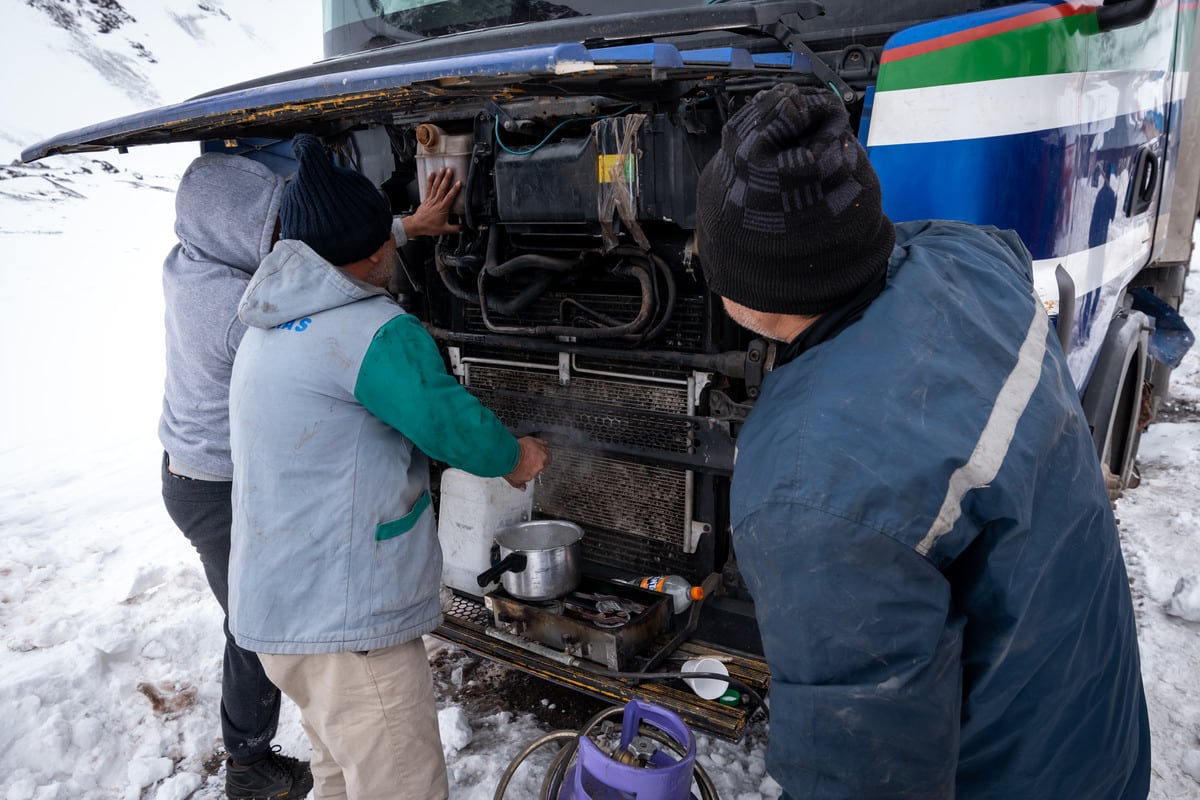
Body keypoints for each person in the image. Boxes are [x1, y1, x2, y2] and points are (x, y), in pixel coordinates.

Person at [694, 83, 1151, 799]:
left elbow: (860, 775)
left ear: (752, 288)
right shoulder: (976, 261)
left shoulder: (812, 494)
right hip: (1092, 731)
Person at [227, 133, 552, 800]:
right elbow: (448, 424)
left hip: (282, 614)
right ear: (372, 249)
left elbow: (354, 250)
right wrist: (516, 457)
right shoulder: (374, 332)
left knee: (341, 774)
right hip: (350, 629)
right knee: (404, 787)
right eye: (386, 237)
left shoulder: (275, 314)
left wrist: (403, 227)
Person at [158, 152, 313, 800]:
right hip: (216, 489)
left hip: (188, 474)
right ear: (236, 231)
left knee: (251, 615)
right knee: (253, 625)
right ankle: (249, 767)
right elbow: (320, 291)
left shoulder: (186, 263)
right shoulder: (237, 304)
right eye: (267, 223)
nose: (279, 236)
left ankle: (252, 750)